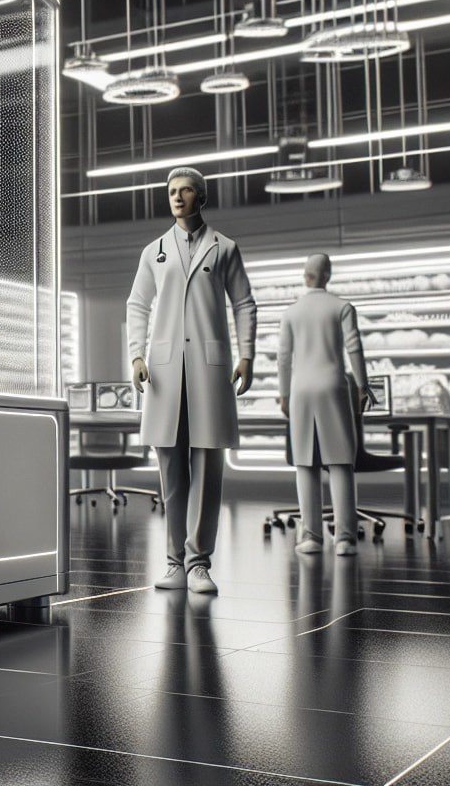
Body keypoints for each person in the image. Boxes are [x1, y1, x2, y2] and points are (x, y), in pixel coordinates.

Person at [126, 167, 257, 595]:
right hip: (165, 373)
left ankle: (199, 563)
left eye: (185, 191)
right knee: (171, 471)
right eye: (171, 192)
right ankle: (173, 563)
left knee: (207, 467)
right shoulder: (154, 252)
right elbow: (137, 305)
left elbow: (244, 303)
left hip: (209, 369)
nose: (177, 198)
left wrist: (248, 355)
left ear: (202, 198)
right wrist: (136, 354)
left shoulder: (225, 249)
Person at [276, 254, 368, 556]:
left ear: (306, 276)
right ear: (327, 275)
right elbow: (354, 347)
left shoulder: (291, 312)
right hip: (333, 386)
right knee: (341, 463)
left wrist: (284, 395)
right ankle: (345, 538)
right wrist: (363, 386)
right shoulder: (342, 307)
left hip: (301, 389)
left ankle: (312, 537)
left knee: (305, 462)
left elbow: (284, 358)